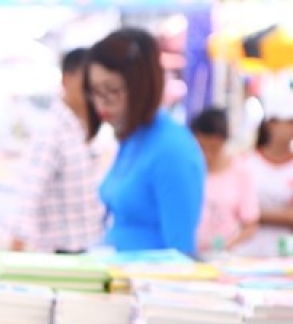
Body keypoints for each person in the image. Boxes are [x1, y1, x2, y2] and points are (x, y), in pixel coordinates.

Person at [87, 28, 205, 256]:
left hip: (145, 284)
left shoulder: (173, 149)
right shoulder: (131, 138)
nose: (101, 104)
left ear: (141, 86)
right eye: (95, 91)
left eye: (111, 90)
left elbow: (181, 252)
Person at [11, 48, 104, 253]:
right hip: (61, 253)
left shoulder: (82, 129)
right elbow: (30, 189)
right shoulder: (52, 130)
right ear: (67, 80)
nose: (93, 90)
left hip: (88, 250)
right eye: (86, 82)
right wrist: (16, 243)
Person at [188, 107, 259, 255]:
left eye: (213, 146)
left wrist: (228, 245)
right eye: (202, 145)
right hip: (190, 254)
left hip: (226, 257)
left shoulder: (241, 170)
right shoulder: (188, 169)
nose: (207, 152)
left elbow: (251, 224)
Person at [240, 88, 293, 257]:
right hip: (244, 253)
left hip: (285, 256)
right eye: (289, 122)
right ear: (270, 123)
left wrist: (253, 214)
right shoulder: (245, 162)